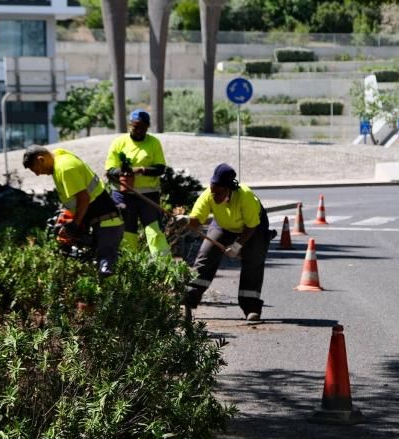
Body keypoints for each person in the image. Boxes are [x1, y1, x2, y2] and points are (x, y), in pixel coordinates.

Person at [181, 163, 270, 322]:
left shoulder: (245, 196)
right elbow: (196, 220)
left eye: (219, 193)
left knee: (254, 260)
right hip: (223, 225)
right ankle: (190, 299)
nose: (214, 196)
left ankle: (251, 308)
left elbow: (251, 226)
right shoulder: (209, 194)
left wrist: (237, 246)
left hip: (253, 227)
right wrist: (186, 220)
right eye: (212, 191)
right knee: (206, 255)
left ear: (229, 189)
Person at [23, 145, 124, 276]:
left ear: (41, 159)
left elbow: (84, 198)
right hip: (98, 221)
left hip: (107, 223)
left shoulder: (65, 168)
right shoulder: (60, 159)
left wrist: (75, 224)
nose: (37, 174)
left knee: (105, 268)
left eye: (37, 170)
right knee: (91, 264)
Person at [105, 109, 170, 256]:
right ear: (130, 125)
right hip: (123, 195)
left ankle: (163, 266)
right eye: (135, 126)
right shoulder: (118, 143)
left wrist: (141, 170)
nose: (139, 130)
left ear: (147, 127)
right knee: (127, 234)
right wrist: (123, 171)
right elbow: (110, 171)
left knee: (154, 232)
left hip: (148, 196)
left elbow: (160, 168)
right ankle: (130, 266)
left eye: (142, 127)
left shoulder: (154, 143)